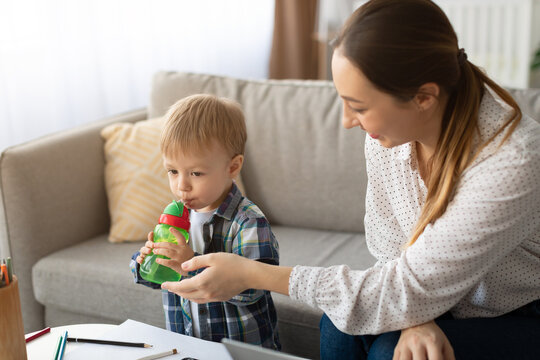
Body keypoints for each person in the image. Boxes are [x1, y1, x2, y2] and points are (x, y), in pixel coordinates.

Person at [160, 0, 540, 359]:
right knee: (337, 326)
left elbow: (408, 287)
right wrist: (414, 314)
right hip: (434, 294)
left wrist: (251, 274)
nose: (347, 121)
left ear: (424, 97)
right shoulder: (390, 134)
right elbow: (390, 245)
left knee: (386, 352)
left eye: (358, 106)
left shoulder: (511, 161)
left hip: (517, 313)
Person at [130, 94, 281, 350]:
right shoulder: (178, 217)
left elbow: (254, 287)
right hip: (187, 344)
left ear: (233, 167)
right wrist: (146, 261)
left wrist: (189, 264)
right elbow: (160, 278)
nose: (182, 186)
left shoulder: (248, 222)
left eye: (196, 173)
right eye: (172, 171)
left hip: (239, 351)